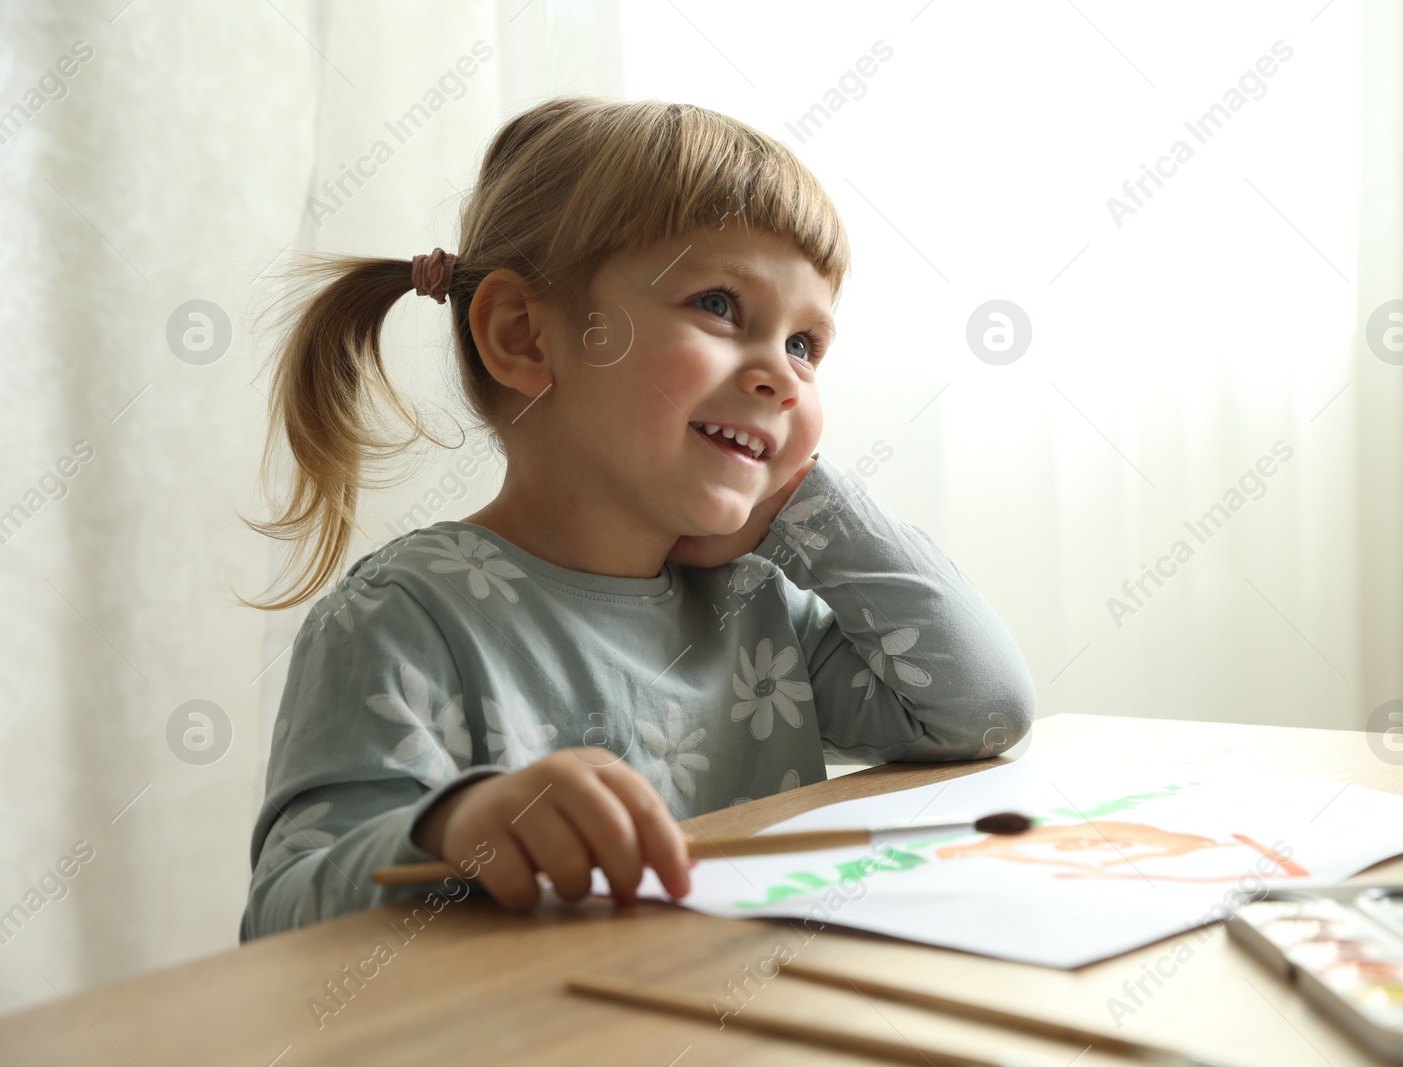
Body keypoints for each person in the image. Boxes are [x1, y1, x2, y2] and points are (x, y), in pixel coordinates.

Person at [237, 95, 1035, 941]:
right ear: (524, 337)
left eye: (805, 344)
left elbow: (981, 710)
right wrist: (454, 830)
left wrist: (807, 506)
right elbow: (284, 918)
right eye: (722, 306)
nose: (784, 375)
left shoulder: (752, 607)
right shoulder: (403, 616)